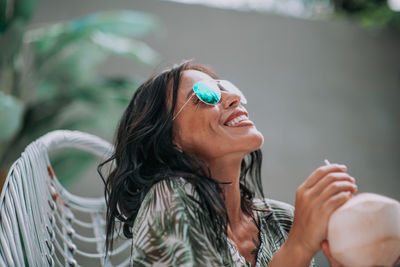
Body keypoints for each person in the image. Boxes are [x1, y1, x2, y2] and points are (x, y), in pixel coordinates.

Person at [98, 61, 359, 266]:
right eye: (206, 95)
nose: (233, 99)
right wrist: (299, 246)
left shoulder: (282, 221)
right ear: (169, 139)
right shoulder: (168, 197)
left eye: (226, 87)